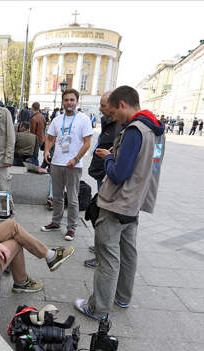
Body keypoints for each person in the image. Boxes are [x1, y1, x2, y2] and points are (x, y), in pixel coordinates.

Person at [74, 86, 165, 319]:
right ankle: (123, 298)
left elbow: (118, 173)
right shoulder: (156, 130)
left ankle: (98, 308)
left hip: (117, 203)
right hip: (136, 202)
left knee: (107, 258)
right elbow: (150, 167)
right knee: (128, 252)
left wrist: (109, 158)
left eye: (113, 113)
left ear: (123, 104)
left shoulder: (135, 130)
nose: (113, 118)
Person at [41, 88, 93, 241]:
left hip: (73, 165)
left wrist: (76, 159)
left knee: (72, 198)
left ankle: (71, 228)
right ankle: (56, 222)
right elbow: (49, 138)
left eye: (72, 100)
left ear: (77, 101)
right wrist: (46, 151)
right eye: (66, 100)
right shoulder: (57, 120)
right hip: (57, 163)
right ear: (62, 102)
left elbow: (87, 143)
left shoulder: (84, 119)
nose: (69, 103)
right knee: (56, 196)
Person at [84, 91, 123, 268]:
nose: (100, 109)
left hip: (109, 178)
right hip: (103, 174)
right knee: (101, 214)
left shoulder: (121, 128)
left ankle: (103, 255)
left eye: (103, 105)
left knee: (104, 217)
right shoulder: (109, 123)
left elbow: (119, 162)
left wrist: (107, 158)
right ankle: (102, 250)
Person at [29, 102, 48, 173]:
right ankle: (36, 167)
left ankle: (35, 169)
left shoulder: (33, 118)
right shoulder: (42, 116)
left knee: (34, 155)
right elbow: (44, 128)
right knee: (35, 154)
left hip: (35, 139)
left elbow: (32, 131)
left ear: (32, 107)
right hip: (42, 138)